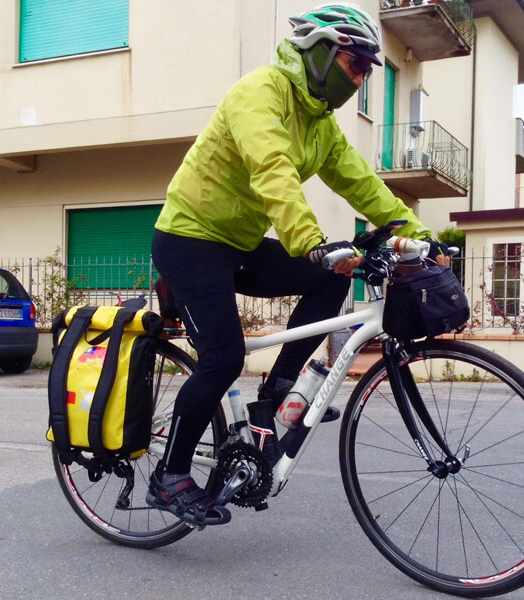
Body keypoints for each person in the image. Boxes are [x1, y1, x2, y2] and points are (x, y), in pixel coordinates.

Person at [148, 2, 448, 527]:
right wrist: (310, 240)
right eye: (355, 65)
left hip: (238, 243)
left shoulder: (319, 123)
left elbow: (362, 184)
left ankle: (278, 391)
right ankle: (169, 476)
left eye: (366, 72)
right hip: (189, 239)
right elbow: (273, 171)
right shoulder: (258, 93)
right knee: (223, 357)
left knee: (329, 277)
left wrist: (421, 236)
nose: (359, 79)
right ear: (321, 53)